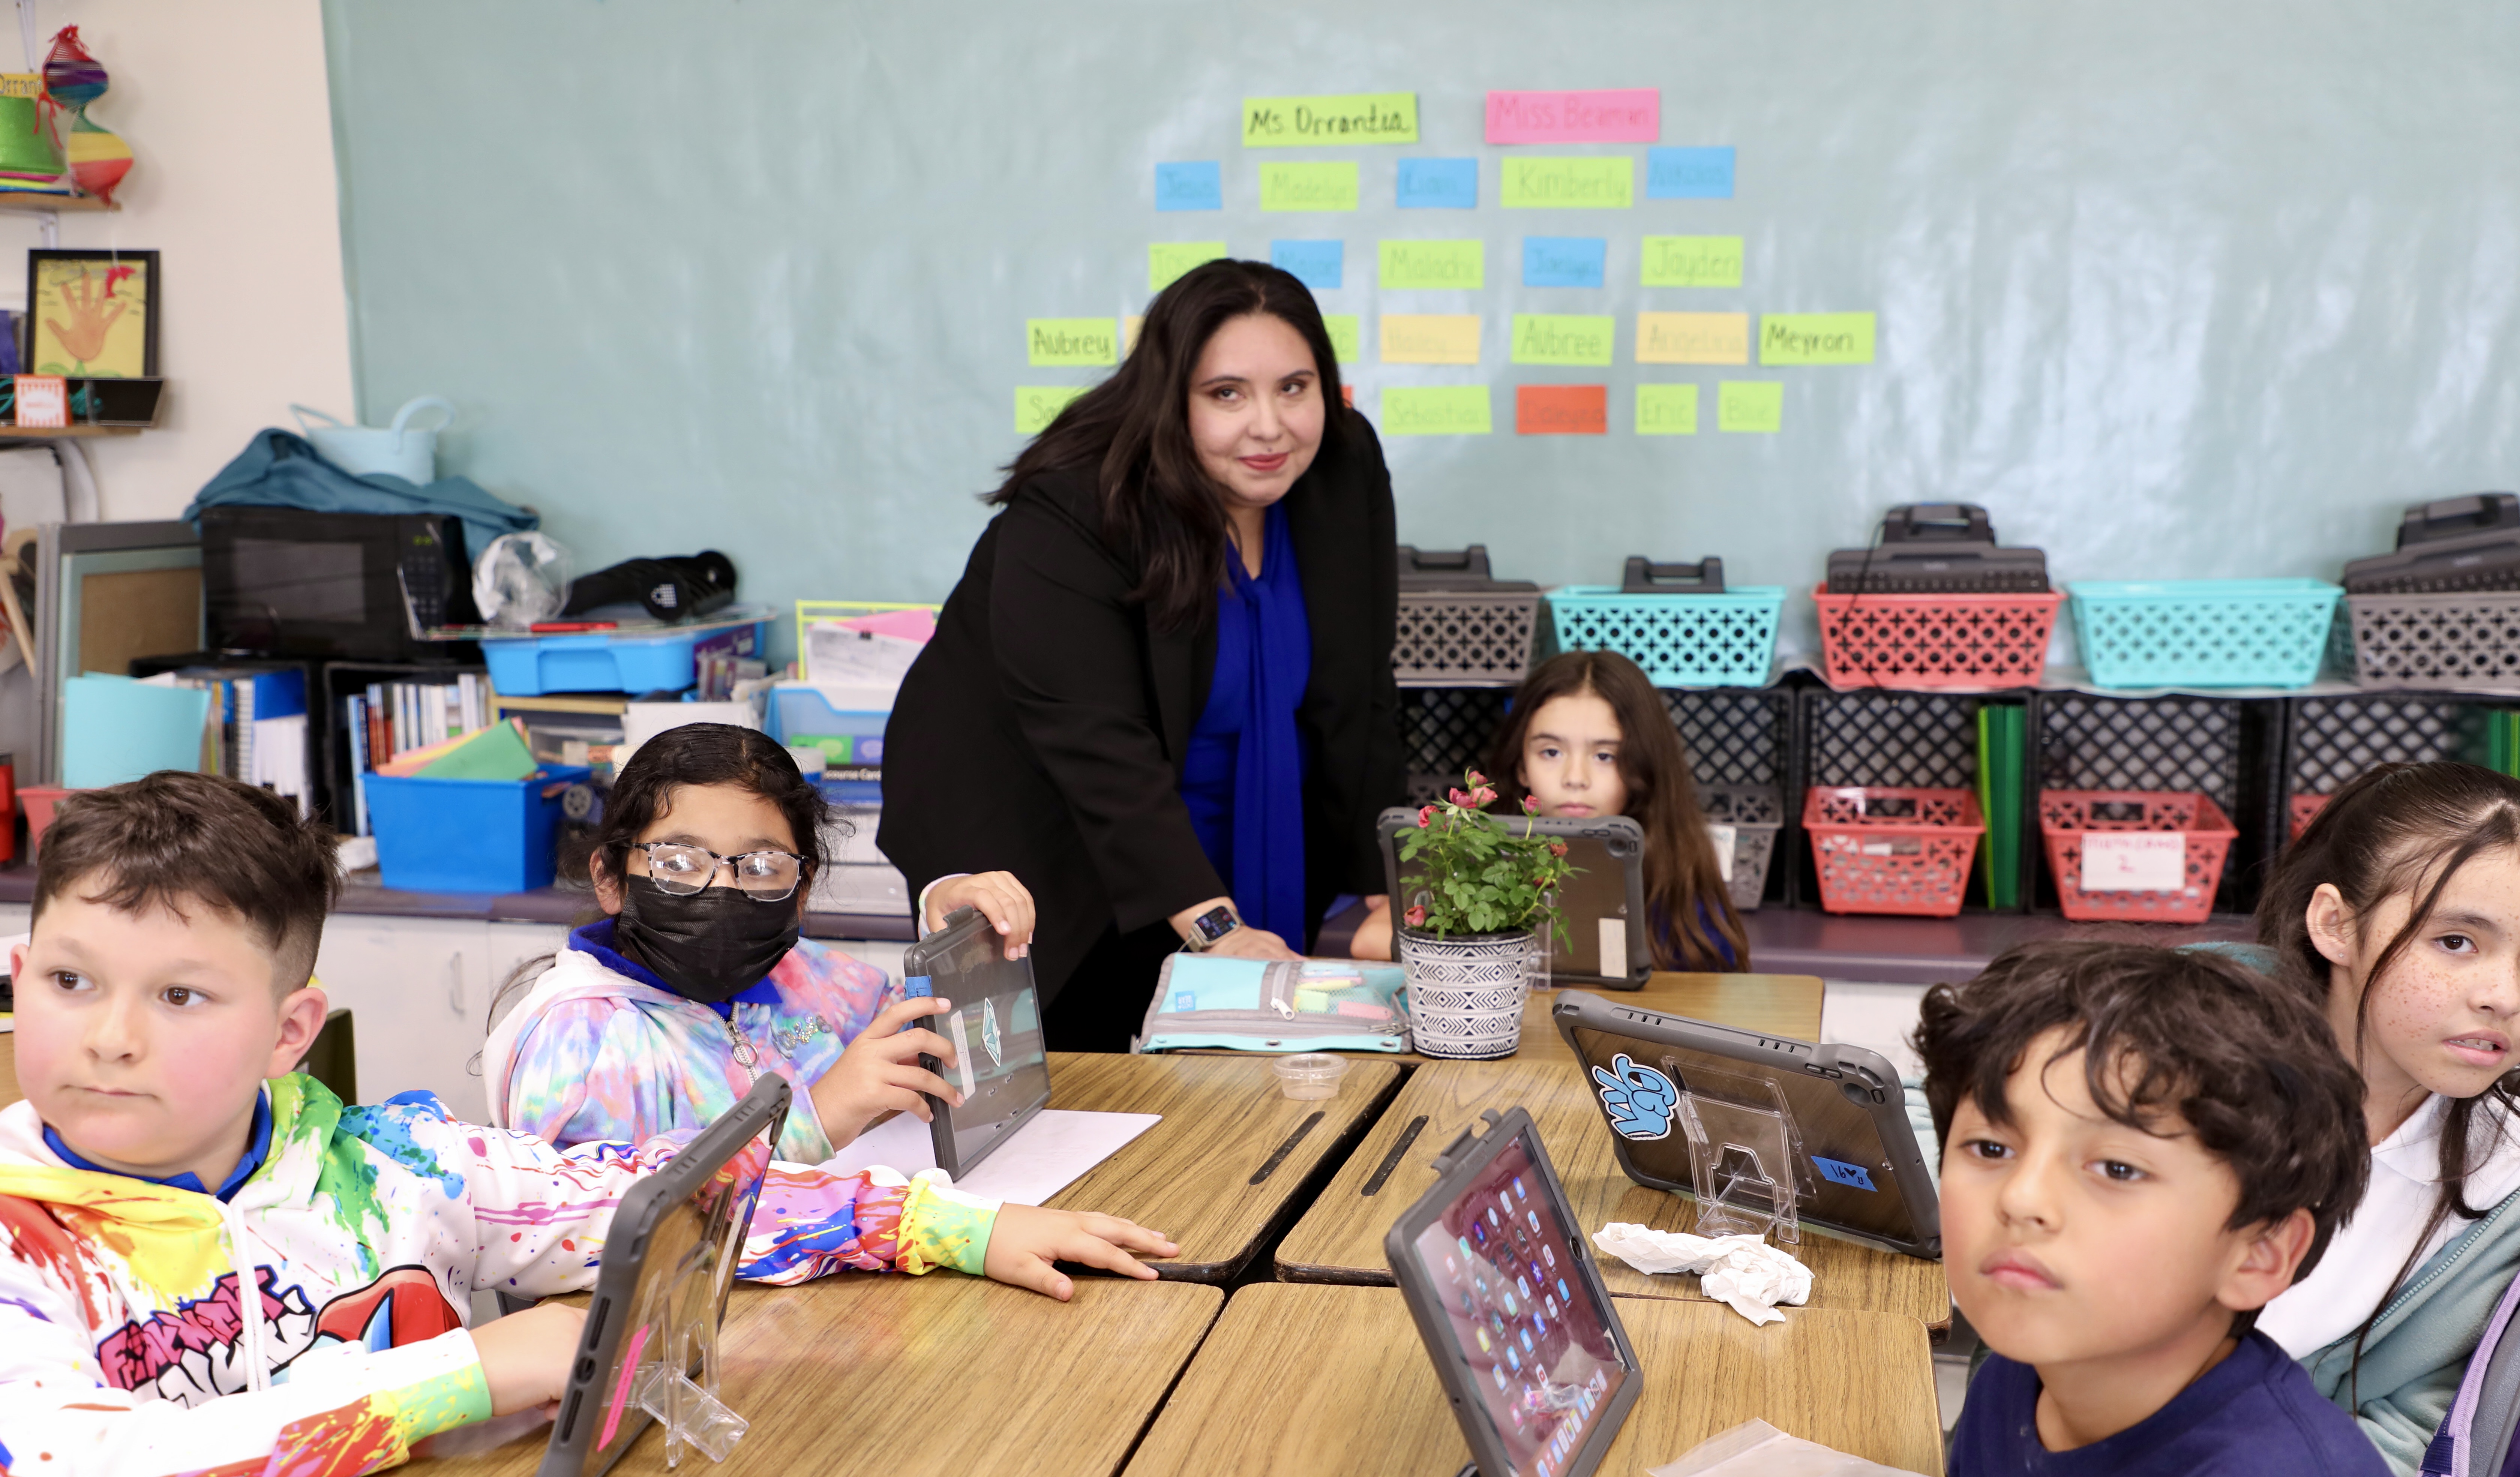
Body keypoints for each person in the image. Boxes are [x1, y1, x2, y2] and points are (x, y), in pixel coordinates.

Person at [0, 773, 1175, 1477]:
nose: (112, 1035)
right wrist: (468, 1369)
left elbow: (654, 1199)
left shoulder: (385, 1162)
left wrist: (945, 1225)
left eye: (181, 994)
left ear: (291, 1030)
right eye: (71, 980)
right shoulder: (18, 1235)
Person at [879, 257, 1407, 1052]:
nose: (1270, 425)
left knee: (1247, 1070)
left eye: (1295, 387)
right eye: (1227, 393)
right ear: (1173, 395)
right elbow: (1099, 749)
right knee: (1091, 1097)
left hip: (1237, 823)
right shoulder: (1079, 505)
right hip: (1058, 837)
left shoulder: (1340, 464)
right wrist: (1217, 927)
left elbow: (1361, 688)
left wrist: (1384, 890)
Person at [1922, 937, 2496, 1477]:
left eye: (2117, 1168)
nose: (2023, 1199)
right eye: (1991, 1150)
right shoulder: (2027, 1374)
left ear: (2260, 1254)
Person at [487, 723, 1060, 1166]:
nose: (723, 890)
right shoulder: (577, 1047)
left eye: (762, 866)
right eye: (680, 863)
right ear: (610, 879)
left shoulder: (805, 977)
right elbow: (588, 1230)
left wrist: (950, 929)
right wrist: (818, 1122)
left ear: (802, 888)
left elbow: (923, 1042)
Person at [2252, 761, 2520, 1477]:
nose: (2504, 996)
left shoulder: (2507, 1185)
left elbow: (2416, 1438)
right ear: (2336, 924)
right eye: (2457, 942)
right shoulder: (2176, 1028)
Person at [1350, 650, 1748, 969]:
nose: (1576, 777)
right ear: (1522, 764)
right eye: (1551, 752)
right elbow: (1368, 940)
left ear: (1643, 766)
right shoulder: (1478, 855)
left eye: (1606, 755)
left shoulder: (1677, 871)